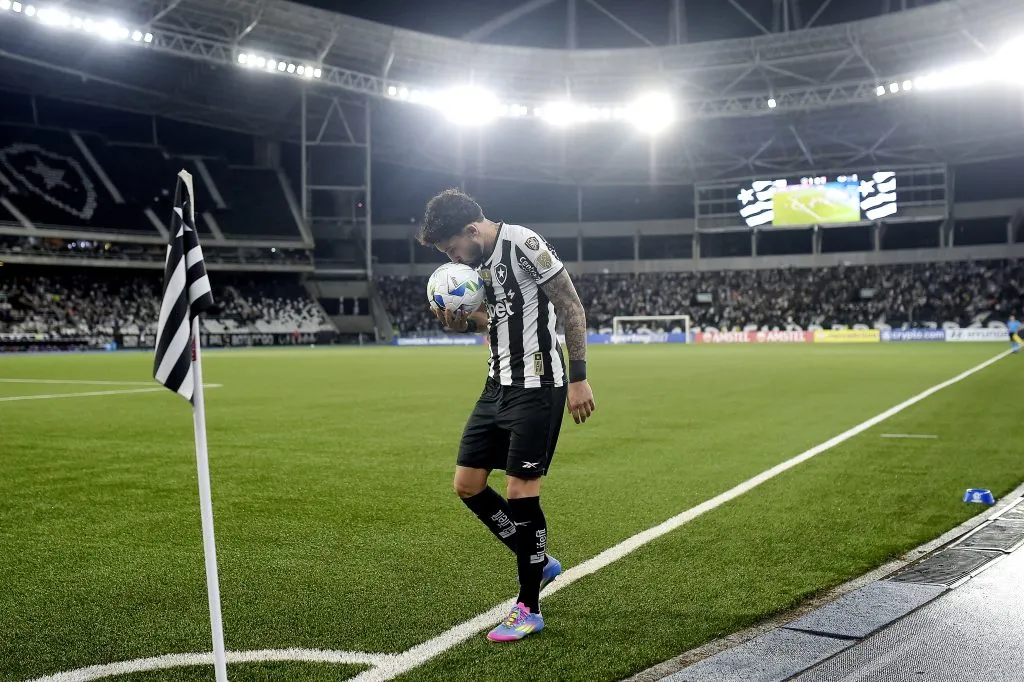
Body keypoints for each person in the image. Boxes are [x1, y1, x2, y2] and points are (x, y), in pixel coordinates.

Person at [417, 188, 596, 642]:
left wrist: (578, 377)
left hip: (540, 388)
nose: (454, 258)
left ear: (472, 230)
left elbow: (570, 307)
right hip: (496, 386)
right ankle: (537, 558)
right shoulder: (474, 267)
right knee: (468, 485)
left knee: (520, 492)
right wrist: (464, 322)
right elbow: (494, 319)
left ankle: (529, 607)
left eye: (453, 248)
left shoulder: (524, 244)